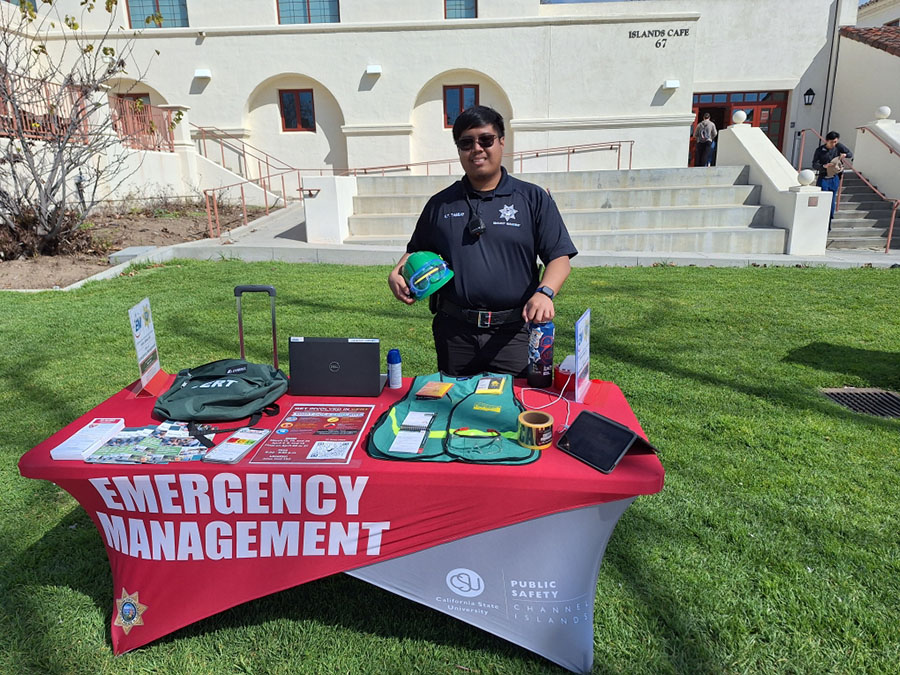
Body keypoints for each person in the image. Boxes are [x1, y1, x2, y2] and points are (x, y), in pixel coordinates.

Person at [387, 105, 577, 377]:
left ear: (501, 141)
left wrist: (545, 292)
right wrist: (396, 273)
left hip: (514, 333)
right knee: (455, 408)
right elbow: (416, 250)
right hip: (455, 333)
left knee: (515, 409)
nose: (477, 148)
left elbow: (559, 258)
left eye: (485, 140)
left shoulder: (532, 198)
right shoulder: (440, 204)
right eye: (466, 143)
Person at [812, 130, 853, 222]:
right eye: (831, 142)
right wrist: (823, 166)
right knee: (823, 198)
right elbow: (814, 164)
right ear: (827, 141)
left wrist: (844, 155)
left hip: (835, 177)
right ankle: (820, 218)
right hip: (823, 176)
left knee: (832, 199)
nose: (833, 144)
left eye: (835, 142)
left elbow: (850, 154)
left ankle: (830, 219)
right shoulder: (820, 150)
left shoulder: (839, 147)